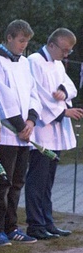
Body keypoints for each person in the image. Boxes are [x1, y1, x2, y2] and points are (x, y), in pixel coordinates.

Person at [0, 19, 41, 245]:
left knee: (17, 183)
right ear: (9, 38)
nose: (23, 45)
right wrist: (19, 125)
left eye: (26, 42)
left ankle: (12, 226)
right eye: (21, 40)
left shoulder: (24, 63)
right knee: (3, 183)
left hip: (24, 133)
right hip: (7, 133)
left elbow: (32, 94)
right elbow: (0, 96)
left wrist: (31, 121)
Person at [25, 28, 83, 239]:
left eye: (69, 51)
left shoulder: (57, 64)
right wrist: (62, 111)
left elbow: (70, 86)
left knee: (48, 180)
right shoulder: (34, 61)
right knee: (37, 180)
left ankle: (47, 221)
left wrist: (64, 92)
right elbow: (37, 94)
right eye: (65, 50)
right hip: (42, 130)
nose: (66, 55)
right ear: (52, 45)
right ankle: (35, 224)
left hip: (55, 132)